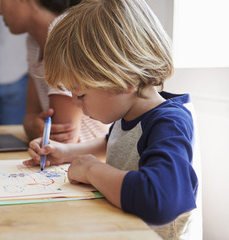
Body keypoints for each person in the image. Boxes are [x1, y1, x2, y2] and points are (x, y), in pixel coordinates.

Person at [25, 0, 202, 239]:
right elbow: (114, 143)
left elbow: (161, 201)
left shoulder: (169, 124)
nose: (75, 103)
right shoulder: (130, 113)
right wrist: (66, 152)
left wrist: (93, 171)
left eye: (80, 94)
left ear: (123, 80)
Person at [0, 0, 109, 143]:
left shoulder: (65, 33)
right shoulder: (33, 41)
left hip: (89, 155)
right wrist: (33, 126)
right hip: (66, 155)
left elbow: (64, 138)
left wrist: (34, 128)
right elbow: (30, 117)